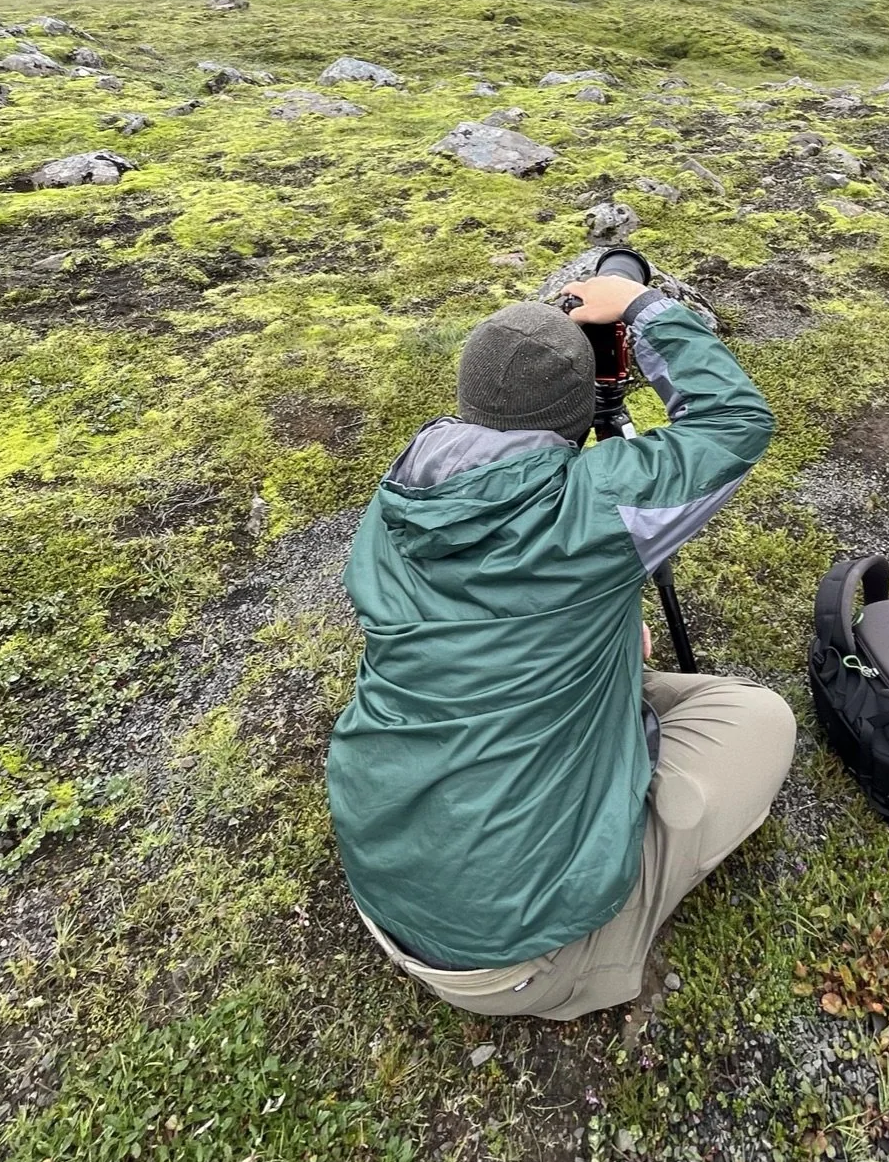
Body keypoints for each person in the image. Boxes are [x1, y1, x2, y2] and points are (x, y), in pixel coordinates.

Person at [326, 269, 796, 1020]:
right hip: (517, 959)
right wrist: (643, 309)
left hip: (387, 881)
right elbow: (734, 422)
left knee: (607, 676)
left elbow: (496, 599)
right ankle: (585, 963)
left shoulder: (398, 499)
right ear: (579, 414)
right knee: (758, 719)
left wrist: (600, 614)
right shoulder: (592, 505)